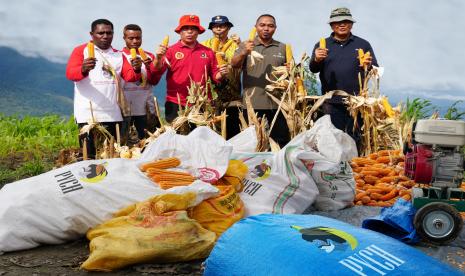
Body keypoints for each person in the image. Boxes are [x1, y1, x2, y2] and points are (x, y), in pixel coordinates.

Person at [66, 19, 142, 158]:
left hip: (112, 113)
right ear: (92, 34)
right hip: (88, 114)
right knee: (88, 156)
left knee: (111, 155)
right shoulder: (80, 51)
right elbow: (71, 74)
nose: (105, 36)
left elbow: (130, 77)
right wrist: (82, 69)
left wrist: (137, 69)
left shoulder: (119, 55)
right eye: (101, 33)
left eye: (109, 33)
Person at [309, 7, 378, 148]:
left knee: (355, 140)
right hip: (330, 102)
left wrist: (369, 65)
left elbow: (376, 70)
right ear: (331, 25)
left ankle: (353, 167)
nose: (341, 24)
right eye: (337, 22)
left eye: (346, 21)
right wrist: (316, 59)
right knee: (332, 140)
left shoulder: (363, 44)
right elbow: (313, 69)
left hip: (356, 102)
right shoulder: (322, 45)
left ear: (351, 24)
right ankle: (334, 168)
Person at [153, 14, 229, 123]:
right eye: (186, 29)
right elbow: (157, 70)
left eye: (193, 29)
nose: (189, 32)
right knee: (177, 137)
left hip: (201, 102)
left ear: (198, 32)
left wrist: (222, 73)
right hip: (176, 102)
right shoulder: (170, 51)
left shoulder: (208, 52)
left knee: (200, 138)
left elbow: (215, 76)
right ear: (180, 31)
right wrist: (158, 57)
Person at [231, 14, 290, 147]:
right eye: (262, 25)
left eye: (270, 25)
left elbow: (290, 73)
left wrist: (290, 69)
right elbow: (234, 64)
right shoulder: (245, 45)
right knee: (254, 144)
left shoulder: (282, 47)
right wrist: (243, 52)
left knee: (278, 143)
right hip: (252, 103)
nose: (266, 28)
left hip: (277, 104)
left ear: (275, 28)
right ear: (256, 27)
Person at [202, 15, 242, 139]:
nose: (219, 29)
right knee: (211, 132)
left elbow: (243, 64)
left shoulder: (236, 45)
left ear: (228, 28)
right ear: (211, 29)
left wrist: (241, 46)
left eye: (222, 26)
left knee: (232, 133)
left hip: (232, 95)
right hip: (209, 95)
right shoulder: (204, 45)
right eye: (215, 26)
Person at [121, 24, 161, 141]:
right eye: (131, 38)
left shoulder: (149, 56)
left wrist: (150, 68)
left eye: (138, 38)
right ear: (124, 38)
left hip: (146, 109)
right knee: (126, 144)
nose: (135, 41)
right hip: (125, 109)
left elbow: (154, 81)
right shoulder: (119, 56)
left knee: (148, 142)